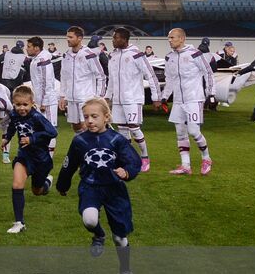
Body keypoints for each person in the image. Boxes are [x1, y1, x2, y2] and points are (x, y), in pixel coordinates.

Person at [56, 98, 141, 274]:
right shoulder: (79, 140)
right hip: (90, 187)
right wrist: (62, 185)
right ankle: (98, 235)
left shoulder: (117, 139)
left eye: (94, 116)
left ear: (106, 117)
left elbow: (134, 161)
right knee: (89, 220)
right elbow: (68, 165)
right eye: (86, 117)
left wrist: (126, 172)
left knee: (119, 237)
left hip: (114, 190)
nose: (90, 121)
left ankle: (125, 270)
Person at [1, 85, 58, 234]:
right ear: (14, 103)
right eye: (18, 104)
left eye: (25, 104)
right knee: (17, 184)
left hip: (41, 158)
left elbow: (53, 132)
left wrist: (32, 138)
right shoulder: (14, 114)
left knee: (37, 191)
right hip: (24, 156)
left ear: (32, 103)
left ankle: (46, 182)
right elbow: (13, 126)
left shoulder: (37, 117)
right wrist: (7, 138)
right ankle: (19, 223)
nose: (21, 108)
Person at [160, 27, 215, 176]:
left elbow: (208, 72)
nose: (169, 40)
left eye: (172, 37)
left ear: (182, 38)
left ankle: (206, 158)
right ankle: (185, 165)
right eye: (169, 38)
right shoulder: (169, 57)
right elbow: (170, 79)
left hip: (194, 99)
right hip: (178, 100)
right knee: (180, 133)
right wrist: (164, 96)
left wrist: (211, 93)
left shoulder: (195, 54)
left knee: (193, 131)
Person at [105, 28, 160, 173]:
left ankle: (145, 157)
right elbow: (111, 79)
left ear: (124, 39)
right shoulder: (112, 56)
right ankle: (127, 159)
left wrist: (156, 97)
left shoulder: (137, 55)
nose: (113, 40)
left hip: (133, 99)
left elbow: (151, 75)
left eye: (116, 38)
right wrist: (107, 96)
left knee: (134, 128)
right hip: (118, 100)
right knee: (122, 130)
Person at [59, 25, 107, 134]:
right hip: (71, 98)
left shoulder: (89, 55)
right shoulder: (66, 55)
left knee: (86, 126)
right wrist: (62, 95)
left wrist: (99, 97)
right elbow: (64, 76)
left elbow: (101, 76)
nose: (68, 39)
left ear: (79, 38)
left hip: (85, 97)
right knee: (76, 126)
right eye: (67, 37)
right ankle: (81, 149)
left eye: (71, 37)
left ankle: (91, 150)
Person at [24, 37, 58, 149]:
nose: (26, 49)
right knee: (40, 128)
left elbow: (46, 82)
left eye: (29, 47)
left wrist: (44, 101)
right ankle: (42, 152)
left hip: (47, 101)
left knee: (50, 128)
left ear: (36, 48)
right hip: (40, 100)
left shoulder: (43, 60)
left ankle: (49, 156)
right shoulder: (36, 59)